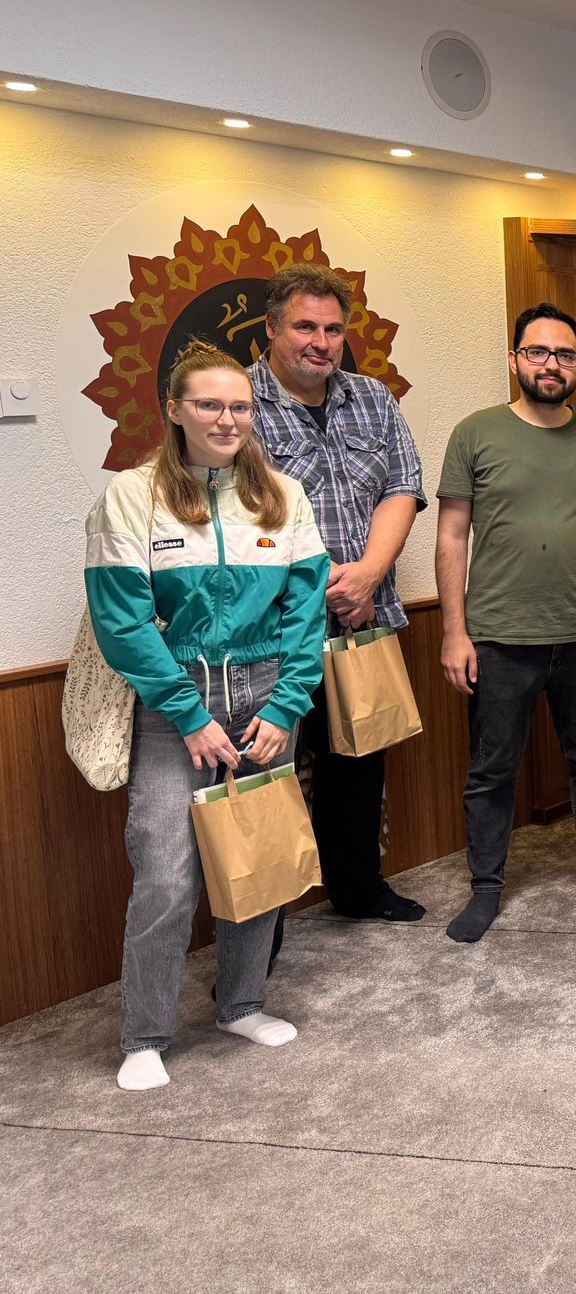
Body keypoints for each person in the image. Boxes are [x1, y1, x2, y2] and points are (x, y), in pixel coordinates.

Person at [84, 340, 329, 1091]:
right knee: (165, 872)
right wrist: (189, 714)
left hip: (266, 695)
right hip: (176, 699)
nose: (228, 419)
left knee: (255, 858)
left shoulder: (282, 496)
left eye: (240, 406)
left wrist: (287, 704)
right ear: (174, 410)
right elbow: (122, 623)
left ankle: (242, 1003)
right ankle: (146, 1035)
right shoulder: (131, 496)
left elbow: (305, 611)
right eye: (209, 405)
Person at [435, 303, 576, 943]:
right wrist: (454, 632)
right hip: (498, 637)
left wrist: (573, 575)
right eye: (538, 352)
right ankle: (486, 887)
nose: (552, 364)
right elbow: (451, 535)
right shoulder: (475, 433)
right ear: (515, 358)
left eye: (565, 354)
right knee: (492, 769)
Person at [248, 262, 427, 923]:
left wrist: (369, 573)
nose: (320, 343)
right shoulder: (237, 403)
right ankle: (262, 929)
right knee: (266, 772)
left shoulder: (373, 398)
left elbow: (402, 488)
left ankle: (358, 890)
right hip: (272, 631)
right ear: (272, 328)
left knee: (360, 760)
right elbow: (225, 512)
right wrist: (325, 581)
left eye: (332, 329)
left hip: (362, 619)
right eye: (305, 327)